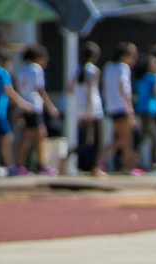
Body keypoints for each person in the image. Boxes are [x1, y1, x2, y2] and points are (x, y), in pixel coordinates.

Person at [15, 44, 59, 174]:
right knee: (38, 135)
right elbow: (40, 89)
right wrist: (50, 107)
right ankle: (39, 164)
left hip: (24, 106)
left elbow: (18, 89)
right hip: (34, 107)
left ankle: (20, 165)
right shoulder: (36, 69)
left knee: (29, 136)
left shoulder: (22, 69)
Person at [68, 41, 105, 176]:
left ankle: (66, 155)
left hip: (79, 108)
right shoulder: (93, 70)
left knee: (84, 139)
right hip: (93, 108)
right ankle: (95, 168)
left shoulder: (76, 70)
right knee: (98, 139)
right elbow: (91, 90)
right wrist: (90, 109)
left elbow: (69, 88)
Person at [102, 42, 138, 174]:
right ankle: (128, 166)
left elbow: (105, 88)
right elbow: (124, 88)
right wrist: (130, 108)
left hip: (111, 107)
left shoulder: (108, 67)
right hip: (122, 107)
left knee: (121, 138)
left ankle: (102, 157)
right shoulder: (123, 68)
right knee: (127, 139)